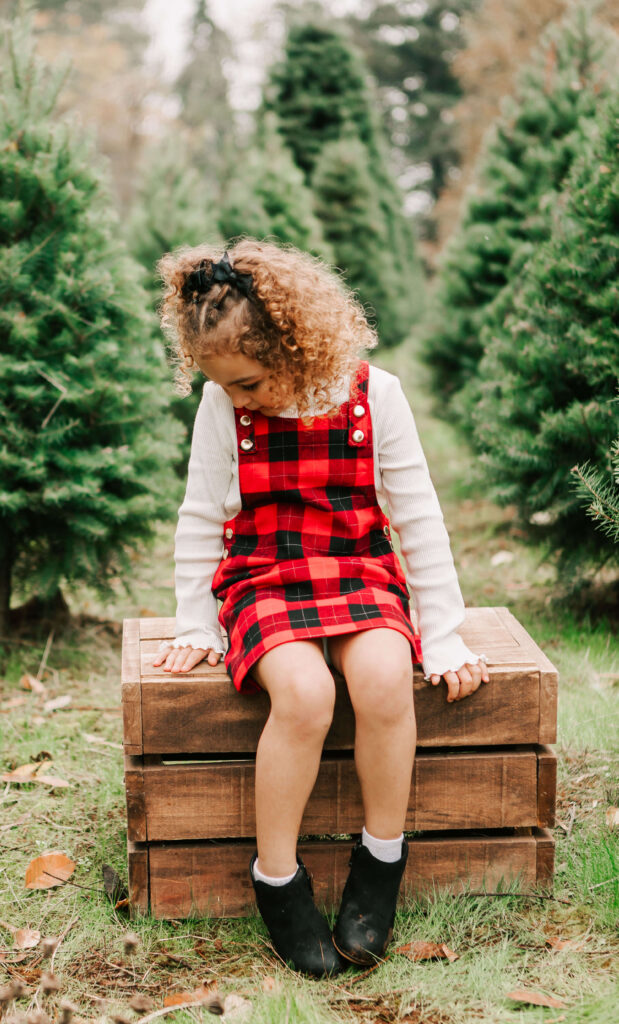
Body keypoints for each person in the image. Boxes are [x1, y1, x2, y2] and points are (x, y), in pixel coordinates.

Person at [153, 239, 488, 977]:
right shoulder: (222, 404)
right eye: (225, 386)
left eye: (248, 382)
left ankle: (380, 859)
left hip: (358, 569)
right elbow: (201, 515)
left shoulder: (376, 393)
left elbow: (417, 517)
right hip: (264, 575)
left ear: (293, 346)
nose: (238, 398)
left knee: (381, 679)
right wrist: (192, 622)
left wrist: (442, 634)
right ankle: (277, 879)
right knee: (303, 696)